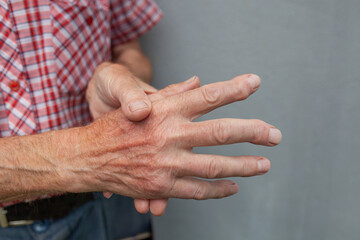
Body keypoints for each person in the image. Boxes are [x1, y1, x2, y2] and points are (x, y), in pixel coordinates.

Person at [0, 0, 282, 239]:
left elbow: (128, 48)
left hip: (109, 202)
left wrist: (127, 84)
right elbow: (96, 156)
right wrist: (90, 155)